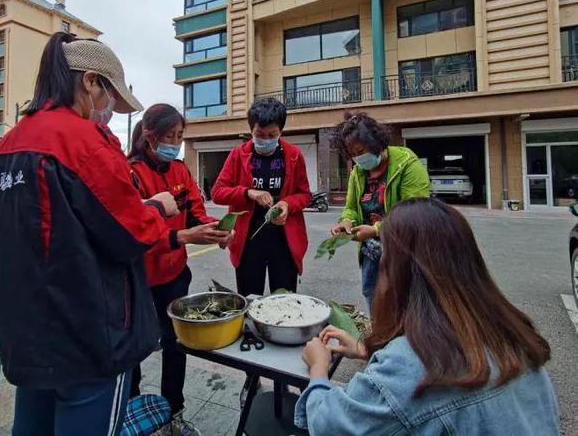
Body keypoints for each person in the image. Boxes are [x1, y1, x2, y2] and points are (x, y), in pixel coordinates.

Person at [0, 33, 178, 436]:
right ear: (90, 81)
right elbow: (131, 234)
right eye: (109, 98)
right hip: (86, 334)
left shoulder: (8, 144)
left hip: (25, 331)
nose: (108, 111)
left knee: (33, 423)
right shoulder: (84, 143)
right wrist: (158, 207)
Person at [297, 198, 559, 435]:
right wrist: (365, 350)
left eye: (386, 261)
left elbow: (329, 426)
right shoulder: (513, 337)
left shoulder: (406, 369)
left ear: (401, 273)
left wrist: (319, 368)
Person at [126, 104, 232, 417]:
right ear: (149, 136)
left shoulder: (181, 170)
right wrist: (183, 237)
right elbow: (135, 232)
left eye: (180, 136)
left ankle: (175, 409)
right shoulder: (130, 173)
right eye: (170, 136)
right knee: (134, 350)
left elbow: (196, 210)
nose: (175, 142)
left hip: (174, 276)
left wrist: (215, 229)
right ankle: (130, 409)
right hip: (138, 281)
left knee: (175, 345)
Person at [329, 112, 429, 312]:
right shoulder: (358, 172)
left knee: (405, 300)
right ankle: (380, 338)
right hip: (372, 253)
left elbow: (415, 214)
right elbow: (350, 207)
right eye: (353, 154)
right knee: (373, 294)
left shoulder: (407, 164)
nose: (358, 158)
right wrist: (346, 221)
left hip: (404, 251)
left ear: (377, 142)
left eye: (361, 151)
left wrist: (376, 230)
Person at [212, 98, 311, 296]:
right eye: (259, 135)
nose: (265, 140)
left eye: (271, 135)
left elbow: (305, 195)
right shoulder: (238, 155)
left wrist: (287, 204)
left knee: (285, 299)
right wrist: (248, 193)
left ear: (281, 131)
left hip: (284, 241)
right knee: (249, 298)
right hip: (248, 240)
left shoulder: (293, 155)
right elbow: (217, 193)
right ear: (251, 130)